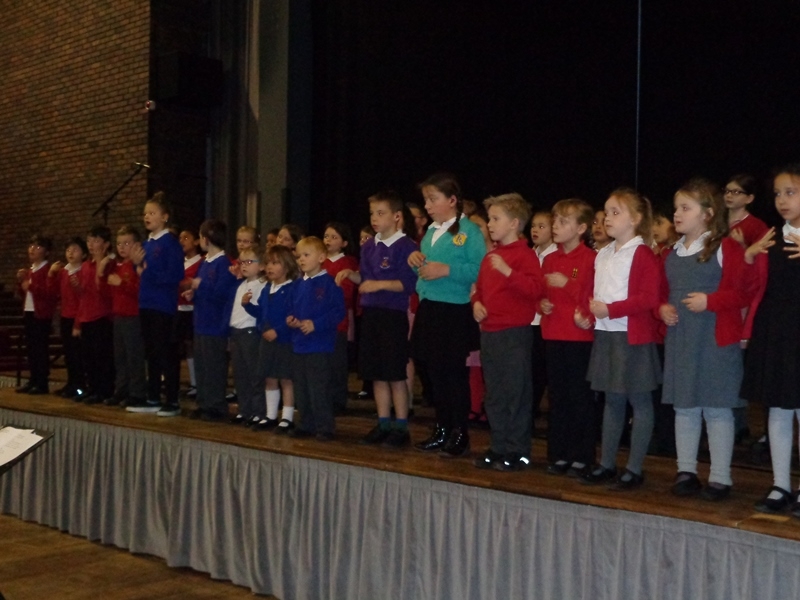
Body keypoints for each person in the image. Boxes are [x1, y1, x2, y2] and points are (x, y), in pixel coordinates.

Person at [660, 178, 755, 501]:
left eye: (685, 208)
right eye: (676, 208)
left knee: (716, 409)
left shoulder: (726, 248)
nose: (677, 214)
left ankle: (720, 477)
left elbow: (743, 293)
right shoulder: (672, 253)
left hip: (715, 340)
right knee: (685, 407)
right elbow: (661, 294)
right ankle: (686, 471)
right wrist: (663, 309)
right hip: (682, 339)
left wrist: (710, 301)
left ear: (708, 213)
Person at [580, 188, 663, 490]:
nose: (607, 218)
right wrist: (588, 314)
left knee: (639, 401)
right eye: (606, 212)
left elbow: (649, 297)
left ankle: (635, 467)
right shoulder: (602, 254)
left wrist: (611, 309)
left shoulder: (642, 254)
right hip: (606, 334)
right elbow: (592, 292)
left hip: (631, 336)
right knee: (612, 400)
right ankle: (607, 463)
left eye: (616, 212)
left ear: (635, 219)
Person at [408, 172, 486, 457]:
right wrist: (416, 261)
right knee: (435, 373)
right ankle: (441, 428)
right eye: (425, 200)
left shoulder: (469, 232)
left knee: (454, 374)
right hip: (431, 307)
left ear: (452, 200)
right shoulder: (431, 232)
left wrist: (447, 270)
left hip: (454, 310)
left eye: (433, 199)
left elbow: (480, 270)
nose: (427, 206)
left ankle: (459, 432)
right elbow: (425, 270)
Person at [336, 191, 418, 447]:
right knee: (376, 374)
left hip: (392, 315)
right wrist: (352, 275)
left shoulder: (407, 247)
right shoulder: (369, 246)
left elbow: (407, 284)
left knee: (394, 373)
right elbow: (366, 278)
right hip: (371, 314)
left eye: (381, 213)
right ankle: (383, 423)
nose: (374, 218)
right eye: (372, 213)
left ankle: (401, 427)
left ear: (397, 216)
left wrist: (377, 285)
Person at [741, 163, 800, 516]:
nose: (782, 200)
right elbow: (753, 288)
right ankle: (780, 485)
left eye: (791, 192)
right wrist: (749, 257)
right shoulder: (771, 238)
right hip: (776, 331)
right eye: (778, 193)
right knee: (777, 408)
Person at [472, 193, 543, 470]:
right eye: (489, 219)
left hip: (514, 334)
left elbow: (535, 290)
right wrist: (477, 304)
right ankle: (498, 445)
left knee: (517, 393)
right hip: (490, 333)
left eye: (495, 218)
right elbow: (478, 289)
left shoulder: (525, 255)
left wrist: (508, 272)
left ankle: (518, 450)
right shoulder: (492, 256)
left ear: (514, 223)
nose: (490, 224)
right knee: (495, 394)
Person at [539, 199, 597, 477]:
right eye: (555, 220)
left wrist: (568, 284)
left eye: (563, 222)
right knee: (558, 396)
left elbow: (594, 297)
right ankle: (559, 453)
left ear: (581, 228)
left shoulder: (591, 259)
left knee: (579, 397)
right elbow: (540, 293)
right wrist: (541, 304)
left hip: (578, 337)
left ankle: (582, 455)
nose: (556, 226)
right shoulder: (550, 259)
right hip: (553, 334)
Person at [128, 192, 184, 416]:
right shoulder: (146, 243)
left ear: (165, 217)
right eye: (145, 213)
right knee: (151, 352)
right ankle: (152, 396)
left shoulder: (170, 243)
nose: (147, 217)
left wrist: (144, 270)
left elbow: (174, 275)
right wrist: (136, 265)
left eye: (152, 213)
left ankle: (172, 399)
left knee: (165, 352)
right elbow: (140, 271)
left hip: (163, 305)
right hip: (146, 303)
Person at [285, 236, 345, 440]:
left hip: (319, 345)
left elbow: (338, 312)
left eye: (306, 255)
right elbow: (291, 308)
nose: (301, 259)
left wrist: (316, 324)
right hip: (299, 344)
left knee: (318, 387)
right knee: (301, 387)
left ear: (321, 257)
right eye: (298, 256)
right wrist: (292, 319)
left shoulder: (329, 283)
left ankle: (324, 426)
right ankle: (306, 423)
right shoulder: (297, 285)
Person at [185, 219, 239, 421]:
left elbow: (222, 294)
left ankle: (216, 406)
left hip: (215, 325)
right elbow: (203, 289)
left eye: (200, 237)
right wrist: (193, 293)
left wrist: (201, 286)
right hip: (201, 322)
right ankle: (204, 402)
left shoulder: (223, 263)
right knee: (202, 366)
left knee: (214, 367)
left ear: (207, 239)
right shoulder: (205, 262)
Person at [244, 244, 298, 432]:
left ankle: (287, 417)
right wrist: (248, 306)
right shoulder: (267, 288)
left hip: (284, 341)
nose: (270, 267)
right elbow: (262, 313)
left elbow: (293, 315)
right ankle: (271, 415)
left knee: (286, 379)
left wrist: (278, 331)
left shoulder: (292, 288)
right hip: (267, 340)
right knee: (269, 377)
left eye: (275, 263)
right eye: (268, 263)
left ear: (287, 266)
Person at [103, 225, 147, 407]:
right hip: (118, 317)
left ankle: (137, 393)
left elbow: (141, 291)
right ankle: (121, 390)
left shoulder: (138, 266)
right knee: (120, 357)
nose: (122, 247)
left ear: (136, 245)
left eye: (127, 243)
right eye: (119, 243)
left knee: (134, 356)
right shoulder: (117, 266)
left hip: (133, 316)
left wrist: (121, 284)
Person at [74, 225, 115, 404]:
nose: (91, 245)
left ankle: (104, 390)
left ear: (106, 244)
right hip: (87, 317)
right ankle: (92, 388)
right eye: (89, 241)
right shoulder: (85, 266)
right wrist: (78, 322)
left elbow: (105, 293)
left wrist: (100, 265)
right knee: (88, 357)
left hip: (102, 316)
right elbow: (83, 296)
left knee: (102, 357)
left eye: (96, 241)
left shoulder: (110, 264)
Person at [228, 246, 268, 426]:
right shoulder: (241, 285)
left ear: (261, 266)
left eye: (249, 262)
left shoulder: (262, 285)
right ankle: (245, 410)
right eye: (241, 262)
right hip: (237, 332)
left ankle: (259, 411)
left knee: (254, 374)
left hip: (250, 332)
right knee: (240, 374)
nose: (244, 265)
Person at [323, 222, 359, 414]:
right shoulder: (320, 261)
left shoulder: (347, 263)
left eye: (334, 237)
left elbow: (345, 293)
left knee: (337, 363)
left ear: (344, 243)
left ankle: (337, 400)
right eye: (326, 236)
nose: (328, 240)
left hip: (337, 322)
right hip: (318, 322)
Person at [15, 234, 56, 394]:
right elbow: (24, 294)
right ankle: (33, 379)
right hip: (29, 312)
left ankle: (41, 382)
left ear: (46, 252)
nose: (32, 249)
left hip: (41, 314)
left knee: (40, 348)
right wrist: (21, 282)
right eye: (31, 246)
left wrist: (30, 286)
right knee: (31, 348)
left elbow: (49, 294)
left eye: (38, 247)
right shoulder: (30, 270)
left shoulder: (47, 270)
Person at [47, 237, 87, 398]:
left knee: (78, 355)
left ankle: (80, 386)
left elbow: (84, 299)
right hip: (65, 316)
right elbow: (53, 291)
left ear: (84, 254)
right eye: (68, 250)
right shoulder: (64, 271)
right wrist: (51, 274)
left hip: (78, 317)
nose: (70, 253)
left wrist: (78, 323)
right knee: (69, 354)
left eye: (75, 250)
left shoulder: (83, 271)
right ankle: (71, 383)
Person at [529, 210, 557, 420]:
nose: (535, 230)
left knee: (543, 372)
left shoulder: (556, 256)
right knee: (530, 373)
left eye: (541, 226)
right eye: (533, 226)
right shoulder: (529, 254)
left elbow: (571, 279)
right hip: (528, 320)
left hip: (547, 321)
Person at [177, 228, 202, 397]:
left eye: (186, 238)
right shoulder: (179, 262)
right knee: (186, 346)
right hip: (180, 308)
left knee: (195, 345)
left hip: (193, 308)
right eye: (180, 238)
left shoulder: (201, 262)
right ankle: (193, 382)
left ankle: (199, 383)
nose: (182, 241)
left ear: (196, 241)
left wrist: (189, 284)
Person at [725, 173, 769, 248]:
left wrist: (742, 245)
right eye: (727, 191)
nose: (728, 195)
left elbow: (761, 253)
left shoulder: (757, 226)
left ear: (749, 198)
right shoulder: (717, 220)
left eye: (736, 192)